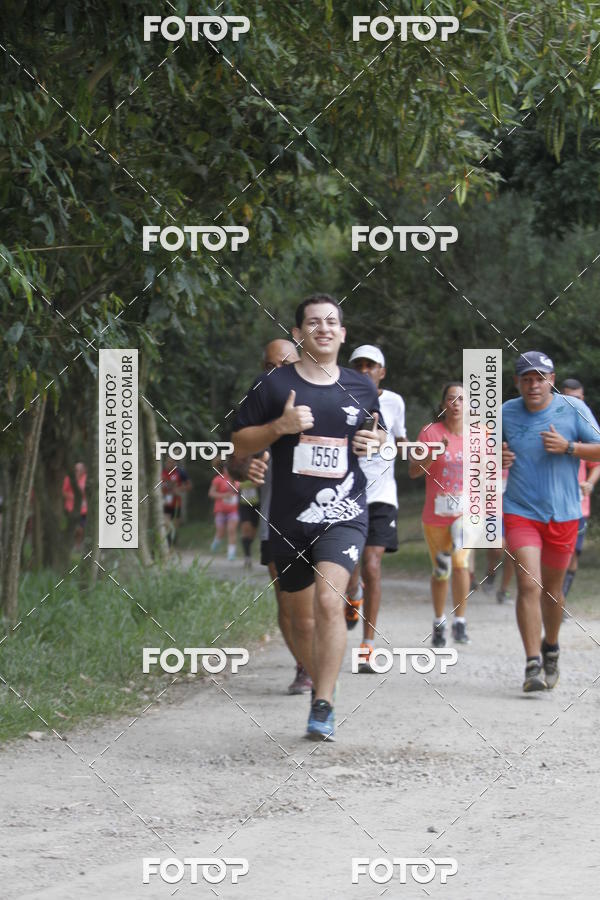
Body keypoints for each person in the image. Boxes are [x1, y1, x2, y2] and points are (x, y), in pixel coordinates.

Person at [232, 293, 386, 740]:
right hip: (288, 518)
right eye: (313, 322)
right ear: (298, 334)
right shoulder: (274, 386)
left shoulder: (361, 386)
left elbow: (376, 435)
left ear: (342, 333)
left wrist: (373, 442)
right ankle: (319, 675)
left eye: (332, 321)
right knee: (300, 621)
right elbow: (239, 443)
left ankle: (324, 702)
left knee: (327, 602)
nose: (323, 328)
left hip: (343, 511)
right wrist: (278, 428)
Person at [502, 352, 600, 692]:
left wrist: (570, 447)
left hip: (564, 513)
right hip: (520, 510)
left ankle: (551, 647)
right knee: (529, 583)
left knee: (552, 590)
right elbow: (479, 454)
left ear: (552, 380)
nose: (533, 385)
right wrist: (495, 454)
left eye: (539, 378)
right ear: (517, 383)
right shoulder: (504, 412)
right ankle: (531, 664)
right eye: (526, 378)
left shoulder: (573, 410)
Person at [344, 345, 406, 673]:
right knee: (351, 567)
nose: (366, 369)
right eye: (360, 365)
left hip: (383, 495)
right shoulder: (340, 396)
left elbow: (400, 439)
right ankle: (352, 596)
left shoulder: (394, 402)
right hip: (348, 493)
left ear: (382, 371)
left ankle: (368, 646)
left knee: (372, 564)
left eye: (372, 365)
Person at [409, 383, 471, 647]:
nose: (456, 404)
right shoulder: (430, 432)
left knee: (460, 564)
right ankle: (438, 622)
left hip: (465, 514)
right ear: (444, 403)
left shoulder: (479, 435)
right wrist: (433, 453)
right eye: (451, 399)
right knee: (442, 570)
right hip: (436, 515)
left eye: (461, 399)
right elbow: (413, 471)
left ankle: (460, 622)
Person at [561, 379, 600, 602]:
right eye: (569, 398)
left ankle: (560, 599)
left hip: (578, 506)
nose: (575, 403)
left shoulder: (586, 429)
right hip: (550, 503)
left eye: (578, 398)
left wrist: (590, 483)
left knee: (572, 553)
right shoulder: (551, 424)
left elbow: (596, 464)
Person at [208, 465, 239, 561]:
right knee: (220, 532)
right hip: (220, 510)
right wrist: (224, 495)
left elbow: (239, 492)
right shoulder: (218, 479)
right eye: (227, 468)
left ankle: (231, 553)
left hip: (233, 510)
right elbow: (211, 493)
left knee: (231, 530)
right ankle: (215, 545)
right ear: (224, 469)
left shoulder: (237, 479)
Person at [162, 455, 192, 547]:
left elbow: (189, 486)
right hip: (165, 502)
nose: (168, 464)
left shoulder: (180, 473)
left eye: (171, 462)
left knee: (175, 525)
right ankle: (167, 544)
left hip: (176, 502)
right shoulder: (161, 472)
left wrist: (179, 489)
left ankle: (173, 544)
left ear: (175, 463)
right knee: (166, 524)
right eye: (167, 462)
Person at [238, 479, 260, 570]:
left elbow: (261, 483)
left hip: (256, 504)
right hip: (244, 505)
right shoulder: (240, 470)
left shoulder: (256, 470)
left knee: (252, 533)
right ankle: (247, 556)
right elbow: (234, 483)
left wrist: (256, 483)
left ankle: (248, 547)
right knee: (246, 527)